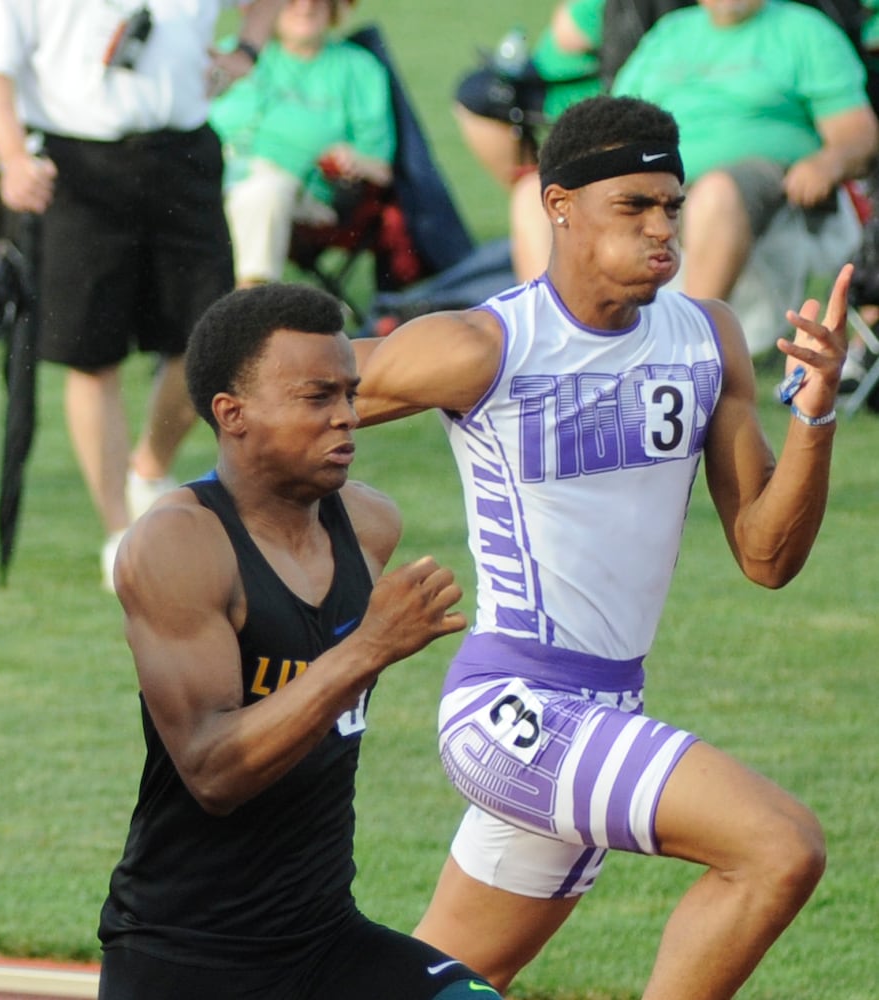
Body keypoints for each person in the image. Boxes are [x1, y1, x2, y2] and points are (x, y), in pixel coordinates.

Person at [356, 95, 844, 999]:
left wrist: (813, 417)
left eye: (672, 204)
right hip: (510, 707)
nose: (663, 227)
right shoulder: (486, 346)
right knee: (778, 848)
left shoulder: (707, 339)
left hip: (603, 710)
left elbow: (767, 558)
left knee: (452, 977)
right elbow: (285, 393)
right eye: (634, 205)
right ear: (558, 206)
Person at [100, 282, 492, 999]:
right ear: (232, 414)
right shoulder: (176, 545)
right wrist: (366, 649)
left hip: (325, 943)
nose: (346, 418)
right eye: (317, 398)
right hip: (187, 960)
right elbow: (212, 772)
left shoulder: (369, 526)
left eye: (349, 394)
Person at [0, 0, 277, 588]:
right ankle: (118, 530)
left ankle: (148, 468)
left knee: (213, 341)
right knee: (91, 355)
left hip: (182, 151)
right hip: (78, 162)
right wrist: (13, 156)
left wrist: (246, 48)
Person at [609, 0, 877, 305]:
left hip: (766, 185)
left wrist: (827, 164)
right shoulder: (668, 34)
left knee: (716, 192)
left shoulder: (805, 30)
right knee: (549, 189)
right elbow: (614, 122)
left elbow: (857, 135)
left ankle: (694, 339)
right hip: (660, 178)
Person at [209, 0, 393, 287]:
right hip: (217, 172)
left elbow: (381, 167)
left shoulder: (357, 68)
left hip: (300, 190)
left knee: (263, 193)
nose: (305, 7)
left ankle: (248, 303)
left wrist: (353, 158)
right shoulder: (233, 54)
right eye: (291, 0)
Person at [449, 0, 603, 280]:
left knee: (532, 194)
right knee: (476, 93)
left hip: (570, 90)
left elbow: (570, 32)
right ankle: (550, 219)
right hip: (558, 81)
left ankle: (546, 213)